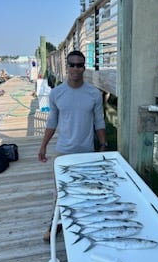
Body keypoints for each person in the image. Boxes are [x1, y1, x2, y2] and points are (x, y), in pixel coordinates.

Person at [38, 50, 107, 242]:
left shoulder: (94, 93)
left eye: (80, 65)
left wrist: (103, 145)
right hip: (63, 152)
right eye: (72, 65)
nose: (76, 68)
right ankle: (55, 224)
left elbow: (99, 122)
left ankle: (85, 224)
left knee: (87, 189)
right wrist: (43, 146)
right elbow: (52, 122)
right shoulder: (56, 93)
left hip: (87, 151)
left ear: (84, 68)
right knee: (60, 191)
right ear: (66, 67)